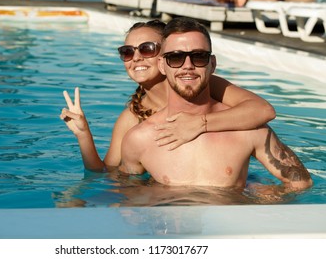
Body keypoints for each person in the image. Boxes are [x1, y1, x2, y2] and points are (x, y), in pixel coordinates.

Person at [119, 17, 312, 194]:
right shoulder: (139, 139)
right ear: (162, 65)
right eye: (176, 58)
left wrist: (259, 199)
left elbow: (301, 183)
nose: (188, 66)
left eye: (199, 57)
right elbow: (128, 195)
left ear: (212, 64)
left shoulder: (247, 129)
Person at [60, 20, 276, 172]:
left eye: (146, 49)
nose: (135, 58)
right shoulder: (133, 117)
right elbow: (108, 173)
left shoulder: (203, 85)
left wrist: (199, 124)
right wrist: (83, 135)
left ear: (167, 56)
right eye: (127, 52)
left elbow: (263, 110)